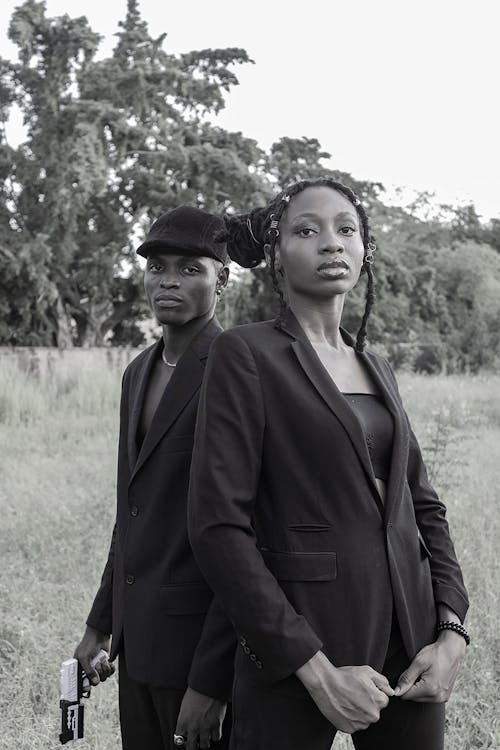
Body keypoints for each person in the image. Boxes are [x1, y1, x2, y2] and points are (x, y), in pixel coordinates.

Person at [187, 178, 469, 750]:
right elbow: (218, 528)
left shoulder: (376, 366)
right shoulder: (245, 352)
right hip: (298, 640)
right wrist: (313, 670)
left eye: (347, 229)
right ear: (277, 253)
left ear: (365, 250)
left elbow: (422, 505)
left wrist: (451, 632)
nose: (331, 243)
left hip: (408, 642)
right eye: (307, 230)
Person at [74, 205, 235, 750]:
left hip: (199, 652)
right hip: (136, 643)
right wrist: (100, 624)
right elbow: (133, 511)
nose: (168, 280)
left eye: (191, 268)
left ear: (223, 280)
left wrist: (211, 681)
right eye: (157, 266)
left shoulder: (240, 370)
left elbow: (247, 537)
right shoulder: (137, 372)